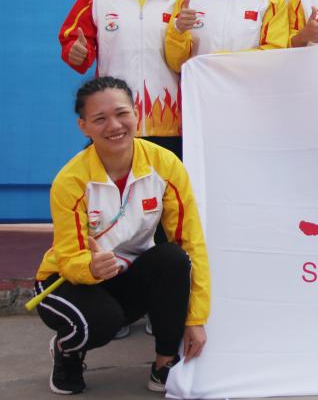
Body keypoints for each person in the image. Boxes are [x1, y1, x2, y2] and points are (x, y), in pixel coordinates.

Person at [34, 77, 210, 394]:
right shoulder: (70, 180)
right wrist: (89, 267)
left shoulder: (165, 164)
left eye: (121, 113)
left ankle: (165, 364)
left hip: (125, 273)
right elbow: (69, 257)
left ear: (136, 113)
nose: (114, 126)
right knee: (101, 322)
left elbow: (191, 243)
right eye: (100, 118)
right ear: (84, 127)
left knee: (173, 259)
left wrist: (195, 319)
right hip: (66, 280)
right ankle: (67, 349)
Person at [59, 0, 184, 158]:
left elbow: (191, 55)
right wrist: (75, 52)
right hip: (114, 123)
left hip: (168, 125)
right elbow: (73, 41)